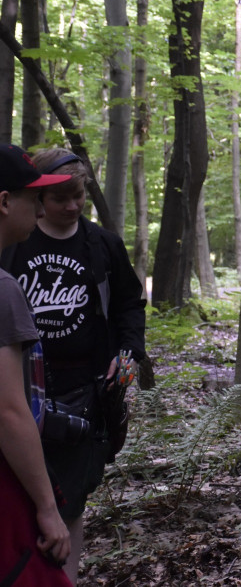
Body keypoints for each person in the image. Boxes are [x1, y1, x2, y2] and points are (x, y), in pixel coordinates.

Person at [1, 148, 146, 585]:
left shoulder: (102, 245)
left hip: (83, 390)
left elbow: (129, 303)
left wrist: (128, 353)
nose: (71, 206)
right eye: (58, 198)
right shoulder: (14, 246)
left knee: (70, 497)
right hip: (20, 387)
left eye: (78, 196)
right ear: (36, 200)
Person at [0, 143, 73, 586]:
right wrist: (47, 508)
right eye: (34, 199)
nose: (42, 211)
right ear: (4, 202)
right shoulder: (3, 290)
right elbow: (9, 411)